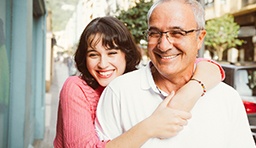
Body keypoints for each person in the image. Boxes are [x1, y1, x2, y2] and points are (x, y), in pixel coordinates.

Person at [95, 0, 256, 148]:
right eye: (154, 33)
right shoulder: (119, 92)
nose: (163, 45)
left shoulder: (226, 98)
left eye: (177, 33)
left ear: (200, 38)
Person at [54, 16, 224, 147]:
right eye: (93, 55)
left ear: (126, 54)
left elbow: (206, 66)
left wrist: (192, 90)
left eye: (112, 53)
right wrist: (151, 126)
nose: (103, 64)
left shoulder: (132, 84)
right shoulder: (76, 88)